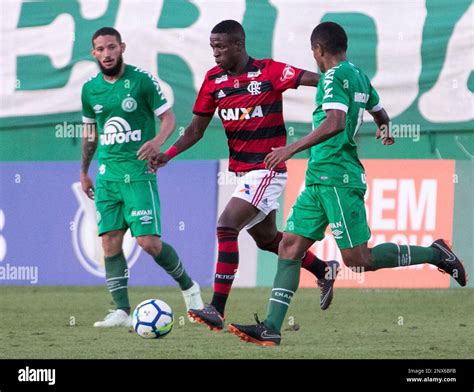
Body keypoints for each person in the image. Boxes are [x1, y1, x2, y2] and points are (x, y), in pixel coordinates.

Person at [228, 21, 468, 346]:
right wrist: (384, 130)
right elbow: (380, 112)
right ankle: (271, 326)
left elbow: (335, 122)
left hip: (338, 179)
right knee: (289, 246)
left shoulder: (331, 77)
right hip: (319, 180)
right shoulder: (358, 76)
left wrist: (290, 149)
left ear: (318, 50)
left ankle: (435, 254)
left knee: (358, 260)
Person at [151, 20, 339, 331]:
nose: (215, 53)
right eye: (213, 46)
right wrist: (167, 155)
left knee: (226, 226)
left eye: (221, 46)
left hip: (267, 168)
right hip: (243, 173)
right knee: (269, 241)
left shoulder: (269, 71)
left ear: (239, 45)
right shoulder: (213, 81)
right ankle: (323, 269)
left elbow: (317, 80)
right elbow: (196, 130)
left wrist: (342, 91)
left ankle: (217, 308)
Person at [80, 27, 203, 328]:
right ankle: (121, 310)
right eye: (100, 49)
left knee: (148, 243)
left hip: (138, 173)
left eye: (111, 47)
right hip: (107, 176)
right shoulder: (90, 90)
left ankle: (189, 287)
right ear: (93, 53)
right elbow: (89, 132)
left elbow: (169, 118)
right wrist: (84, 170)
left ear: (121, 47)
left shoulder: (142, 81)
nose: (107, 54)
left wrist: (159, 141)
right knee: (110, 241)